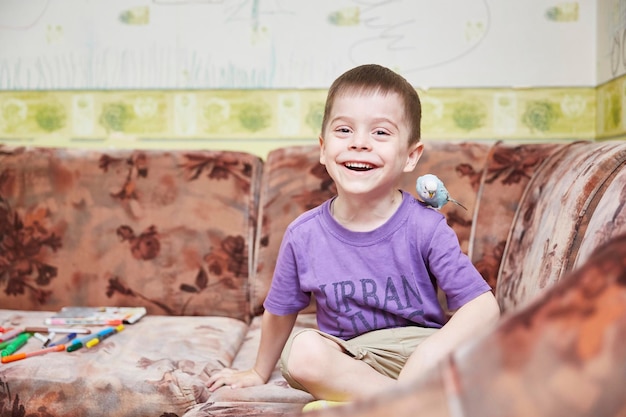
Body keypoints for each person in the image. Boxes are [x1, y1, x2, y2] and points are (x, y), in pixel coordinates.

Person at [207, 64, 500, 406]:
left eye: (380, 133)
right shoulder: (304, 235)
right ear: (322, 148)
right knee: (302, 352)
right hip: (350, 358)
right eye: (344, 130)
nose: (360, 143)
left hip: (419, 353)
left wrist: (430, 354)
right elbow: (280, 310)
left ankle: (385, 403)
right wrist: (258, 372)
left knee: (483, 360)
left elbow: (483, 306)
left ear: (410, 156)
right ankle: (406, 406)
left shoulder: (425, 226)